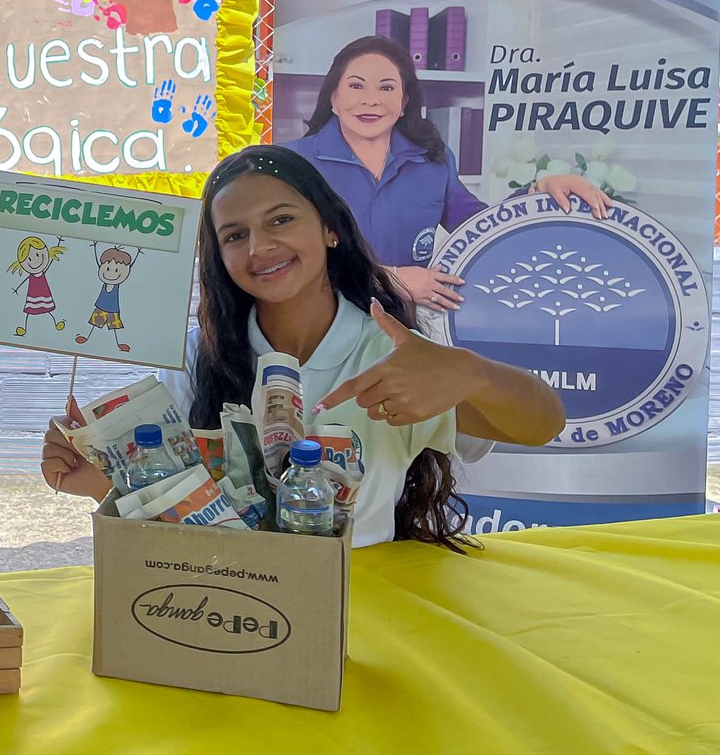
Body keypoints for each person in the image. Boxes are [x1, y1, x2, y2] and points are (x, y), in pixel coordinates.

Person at [40, 145, 564, 548]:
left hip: (361, 618)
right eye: (234, 235)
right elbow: (167, 507)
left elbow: (542, 426)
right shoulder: (197, 357)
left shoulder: (393, 355)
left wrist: (475, 373)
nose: (260, 247)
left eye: (281, 219)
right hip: (225, 614)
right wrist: (90, 478)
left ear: (330, 228)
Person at [286, 34, 608, 313]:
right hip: (317, 331)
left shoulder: (434, 162)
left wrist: (538, 191)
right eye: (356, 85)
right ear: (333, 97)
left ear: (404, 101)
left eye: (387, 87)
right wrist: (389, 278)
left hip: (405, 334)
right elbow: (289, 256)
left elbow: (480, 229)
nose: (371, 100)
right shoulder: (293, 164)